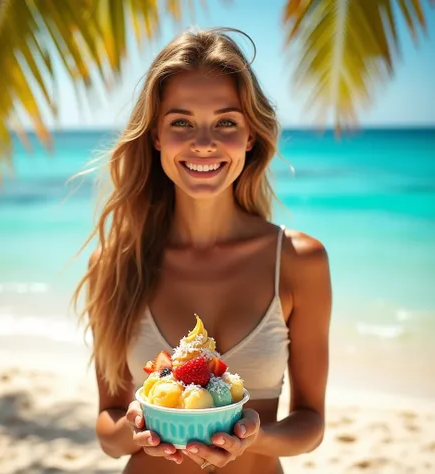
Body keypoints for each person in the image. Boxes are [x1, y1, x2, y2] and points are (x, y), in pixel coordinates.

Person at [73, 27, 332, 474]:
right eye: (181, 122)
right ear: (156, 136)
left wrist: (253, 437)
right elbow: (108, 424)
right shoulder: (114, 264)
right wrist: (135, 428)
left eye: (226, 122)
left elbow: (311, 423)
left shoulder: (297, 261)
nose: (204, 142)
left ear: (251, 135)